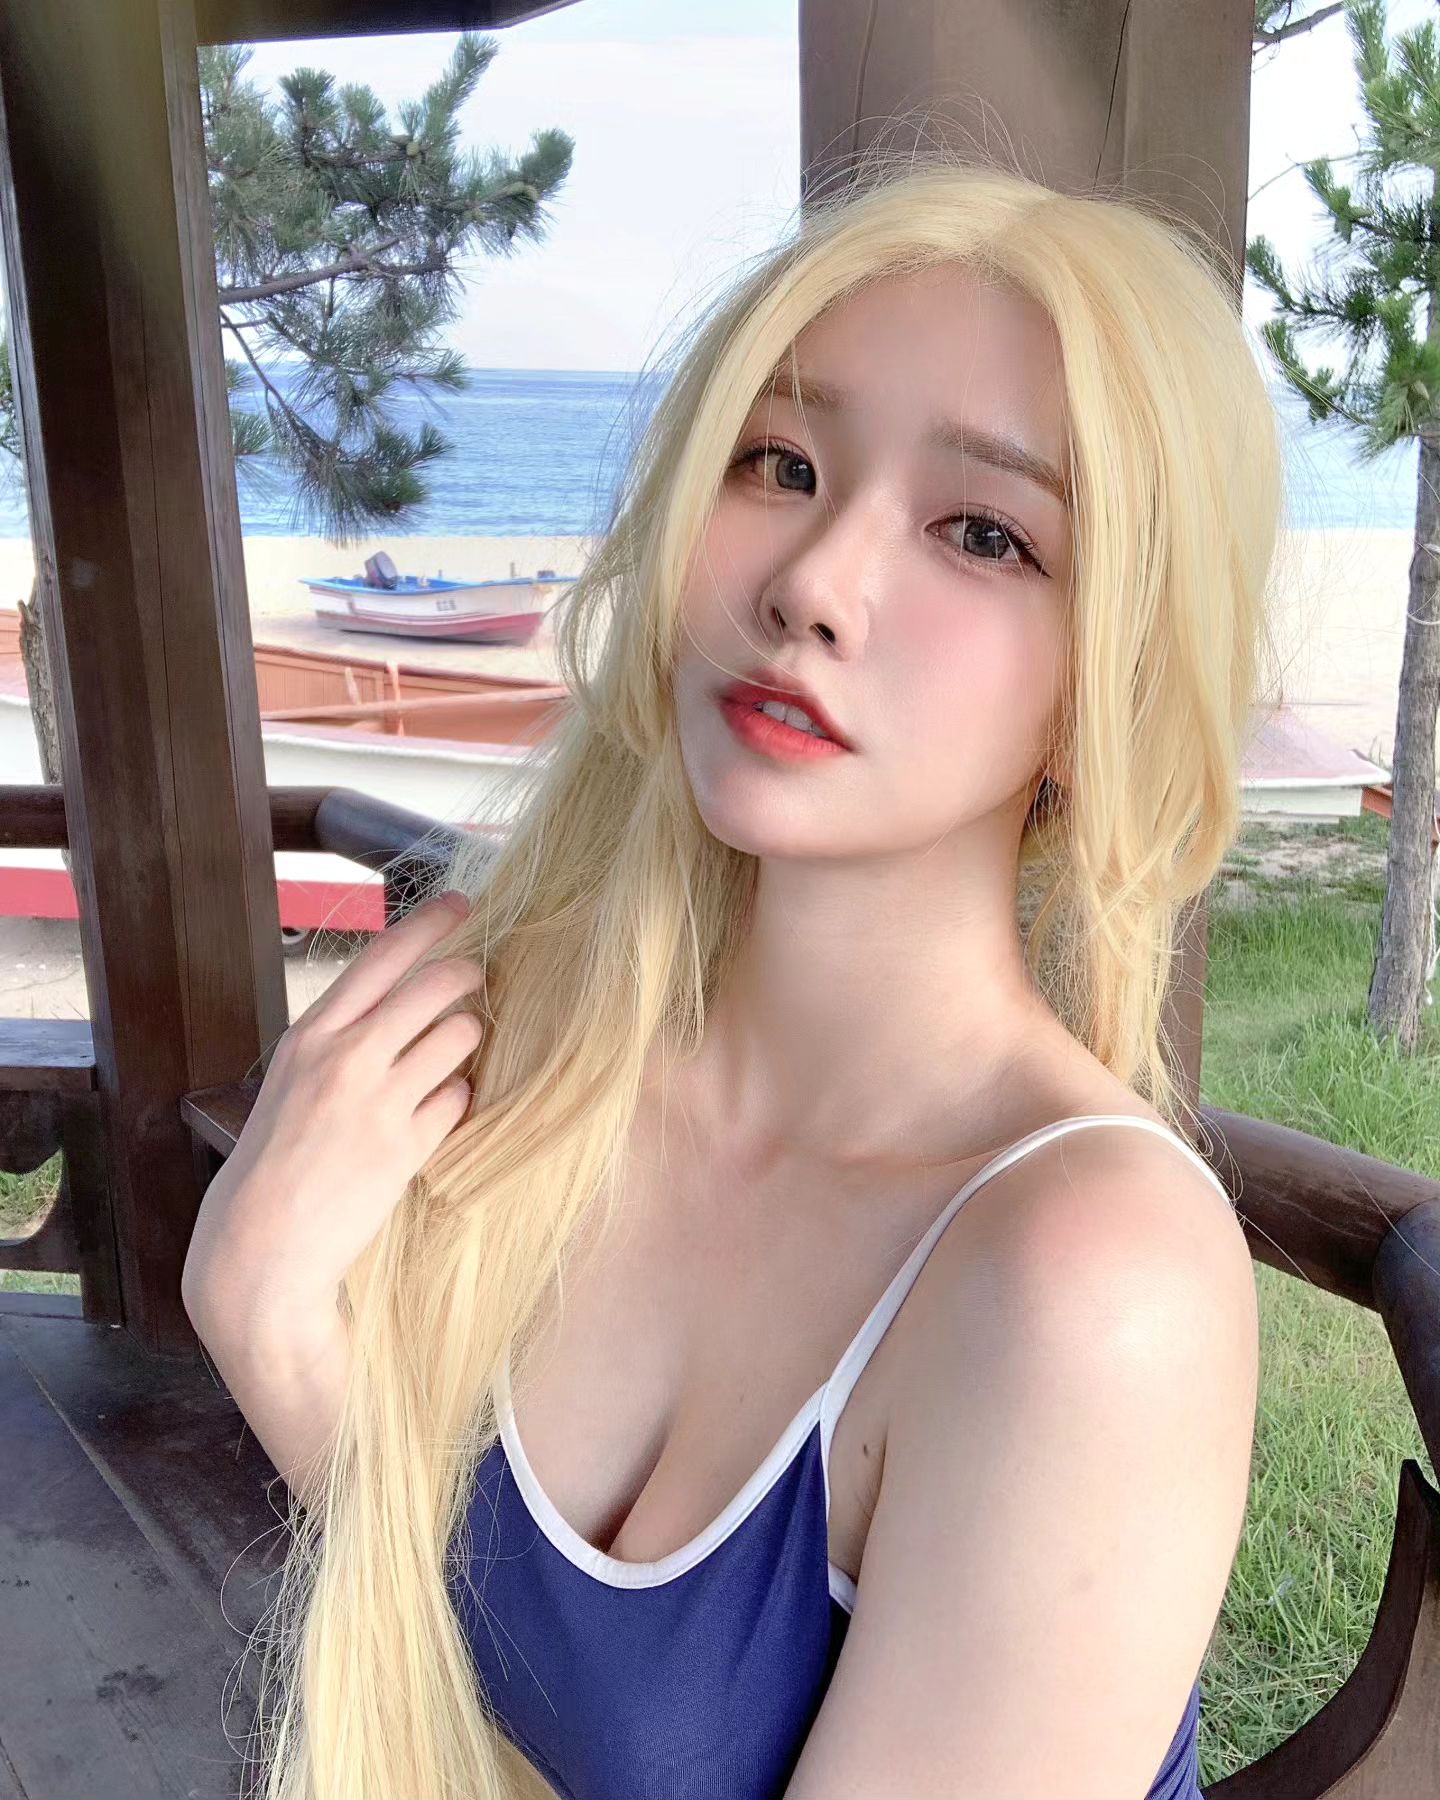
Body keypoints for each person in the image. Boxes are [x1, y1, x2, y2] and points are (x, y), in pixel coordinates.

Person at [183, 145, 1282, 1800]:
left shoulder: (1090, 1286)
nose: (813, 585)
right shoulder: (531, 1077)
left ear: (1104, 686)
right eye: (780, 463)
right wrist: (269, 1313)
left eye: (985, 534)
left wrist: (282, 1350)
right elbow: (479, 1683)